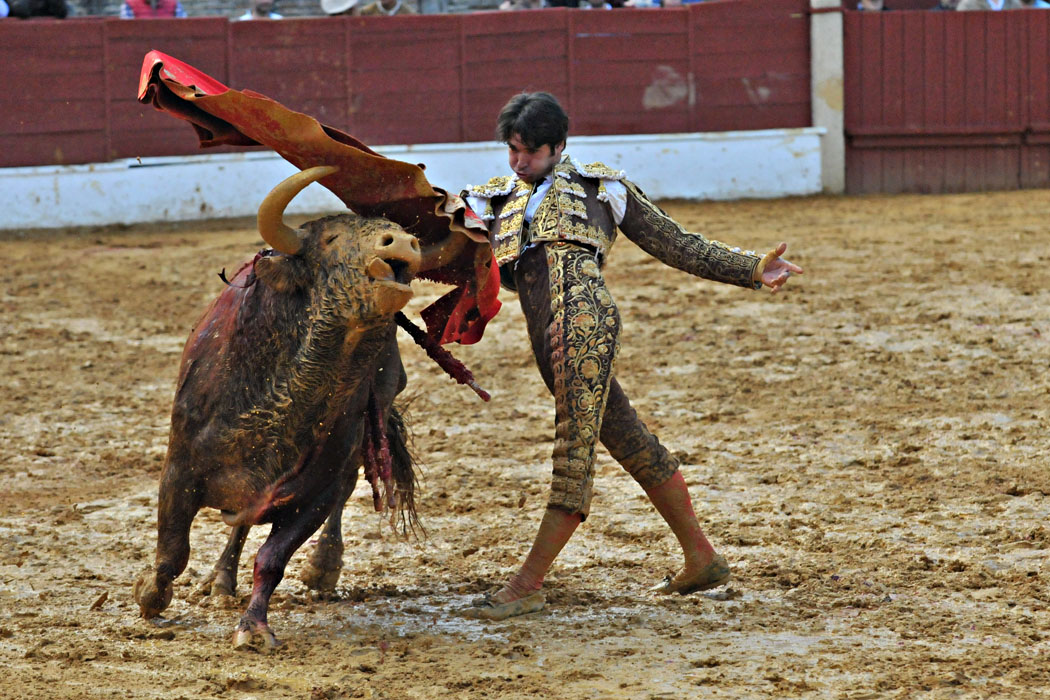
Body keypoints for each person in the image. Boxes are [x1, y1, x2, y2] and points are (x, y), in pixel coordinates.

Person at [459, 92, 802, 621]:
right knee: (627, 436)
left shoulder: (603, 187)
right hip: (545, 334)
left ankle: (528, 583)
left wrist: (751, 267)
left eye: (529, 153)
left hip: (584, 325)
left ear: (559, 146)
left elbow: (675, 242)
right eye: (512, 151)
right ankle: (702, 557)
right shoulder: (493, 199)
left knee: (574, 448)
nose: (518, 162)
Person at [120, 0, 185, 17]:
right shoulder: (130, 4)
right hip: (139, 47)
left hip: (169, 47)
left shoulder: (174, 3)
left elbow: (184, 29)